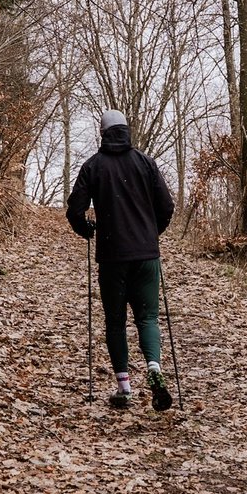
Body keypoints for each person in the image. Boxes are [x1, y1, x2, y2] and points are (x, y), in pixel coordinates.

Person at [66, 109, 176, 410]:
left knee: (115, 321)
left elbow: (74, 210)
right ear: (127, 131)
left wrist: (87, 229)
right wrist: (151, 233)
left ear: (102, 133)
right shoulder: (146, 163)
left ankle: (124, 388)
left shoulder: (93, 166)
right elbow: (167, 206)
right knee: (148, 318)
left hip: (112, 257)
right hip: (146, 256)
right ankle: (154, 368)